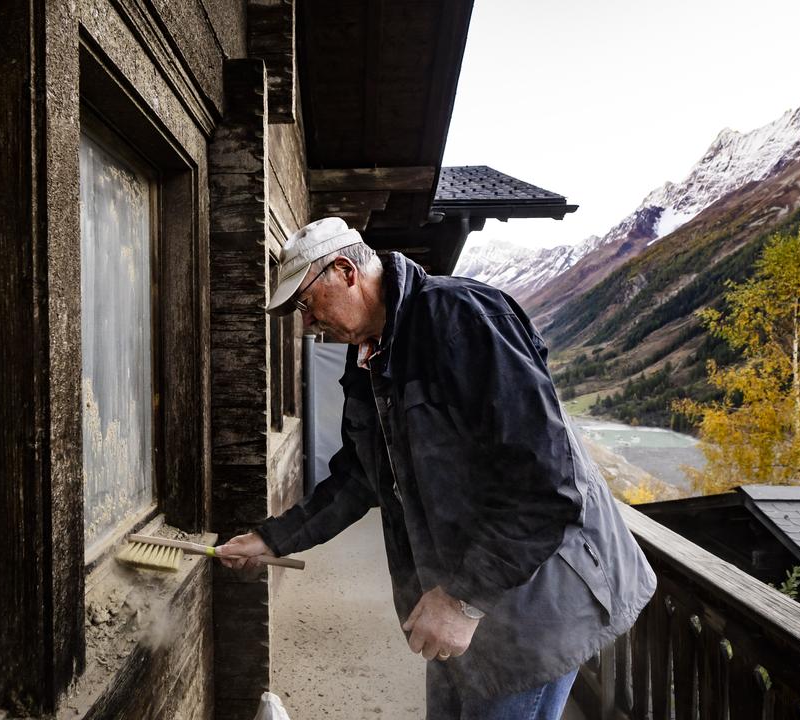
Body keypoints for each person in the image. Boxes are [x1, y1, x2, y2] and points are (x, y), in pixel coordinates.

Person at [214, 217, 657, 720]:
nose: (307, 323)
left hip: (537, 597)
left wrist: (463, 600)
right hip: (460, 588)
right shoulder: (366, 358)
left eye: (306, 303)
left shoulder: (463, 318)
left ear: (345, 271)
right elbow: (358, 475)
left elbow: (546, 487)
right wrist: (273, 539)